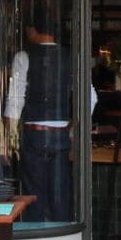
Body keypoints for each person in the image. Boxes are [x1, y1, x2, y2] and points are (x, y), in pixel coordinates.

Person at [7, 12, 74, 222]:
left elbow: (15, 100)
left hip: (34, 134)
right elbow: (89, 97)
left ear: (32, 30)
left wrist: (7, 139)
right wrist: (73, 128)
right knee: (60, 196)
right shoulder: (71, 57)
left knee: (33, 197)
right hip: (62, 135)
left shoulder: (23, 57)